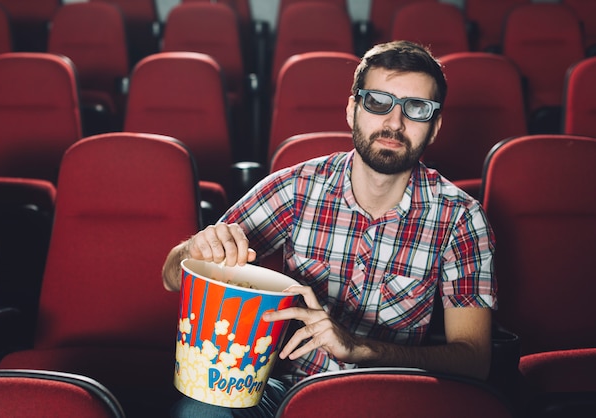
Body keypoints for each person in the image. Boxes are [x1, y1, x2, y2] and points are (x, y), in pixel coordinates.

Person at [162, 40, 497, 417]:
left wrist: (360, 347)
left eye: (416, 109)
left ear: (434, 127)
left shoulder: (461, 218)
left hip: (391, 399)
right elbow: (173, 277)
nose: (394, 122)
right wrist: (195, 250)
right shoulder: (296, 187)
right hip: (286, 391)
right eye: (377, 102)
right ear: (353, 110)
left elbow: (474, 359)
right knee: (198, 414)